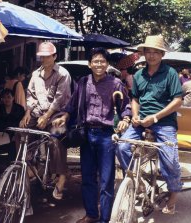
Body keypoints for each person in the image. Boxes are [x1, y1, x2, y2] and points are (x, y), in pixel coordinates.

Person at [53, 47, 131, 223]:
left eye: (102, 61)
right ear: (89, 64)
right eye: (95, 61)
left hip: (106, 136)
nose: (99, 64)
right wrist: (64, 117)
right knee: (87, 178)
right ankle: (91, 214)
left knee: (106, 181)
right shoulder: (82, 82)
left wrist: (125, 118)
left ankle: (104, 218)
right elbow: (71, 106)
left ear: (107, 64)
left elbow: (125, 106)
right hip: (86, 134)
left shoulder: (116, 84)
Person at [115, 35, 183, 214]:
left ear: (161, 54)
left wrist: (155, 118)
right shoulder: (138, 75)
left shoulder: (170, 73)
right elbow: (135, 98)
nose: (151, 56)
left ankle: (174, 194)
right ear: (144, 54)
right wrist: (136, 116)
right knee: (122, 147)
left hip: (164, 122)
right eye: (148, 52)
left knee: (169, 160)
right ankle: (138, 182)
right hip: (141, 121)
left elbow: (177, 101)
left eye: (155, 52)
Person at [22, 42, 72, 200]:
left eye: (47, 56)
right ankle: (30, 165)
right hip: (38, 112)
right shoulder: (35, 74)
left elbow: (59, 100)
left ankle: (61, 175)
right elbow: (30, 95)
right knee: (22, 131)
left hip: (58, 113)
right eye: (41, 56)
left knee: (55, 139)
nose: (43, 59)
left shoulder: (62, 74)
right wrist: (27, 113)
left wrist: (47, 116)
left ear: (54, 56)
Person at [0, 88, 25, 174]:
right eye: (4, 98)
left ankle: (11, 169)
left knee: (13, 146)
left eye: (9, 97)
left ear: (13, 98)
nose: (7, 99)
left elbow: (22, 123)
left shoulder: (19, 109)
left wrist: (17, 135)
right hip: (0, 133)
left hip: (14, 133)